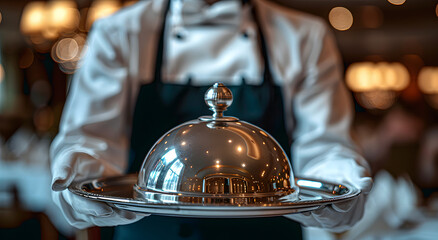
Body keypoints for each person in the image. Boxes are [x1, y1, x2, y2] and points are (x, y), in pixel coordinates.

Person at [50, 0, 373, 239]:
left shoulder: (305, 37)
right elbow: (93, 141)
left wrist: (339, 183)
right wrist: (83, 175)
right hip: (153, 231)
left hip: (266, 233)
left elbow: (325, 147)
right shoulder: (119, 33)